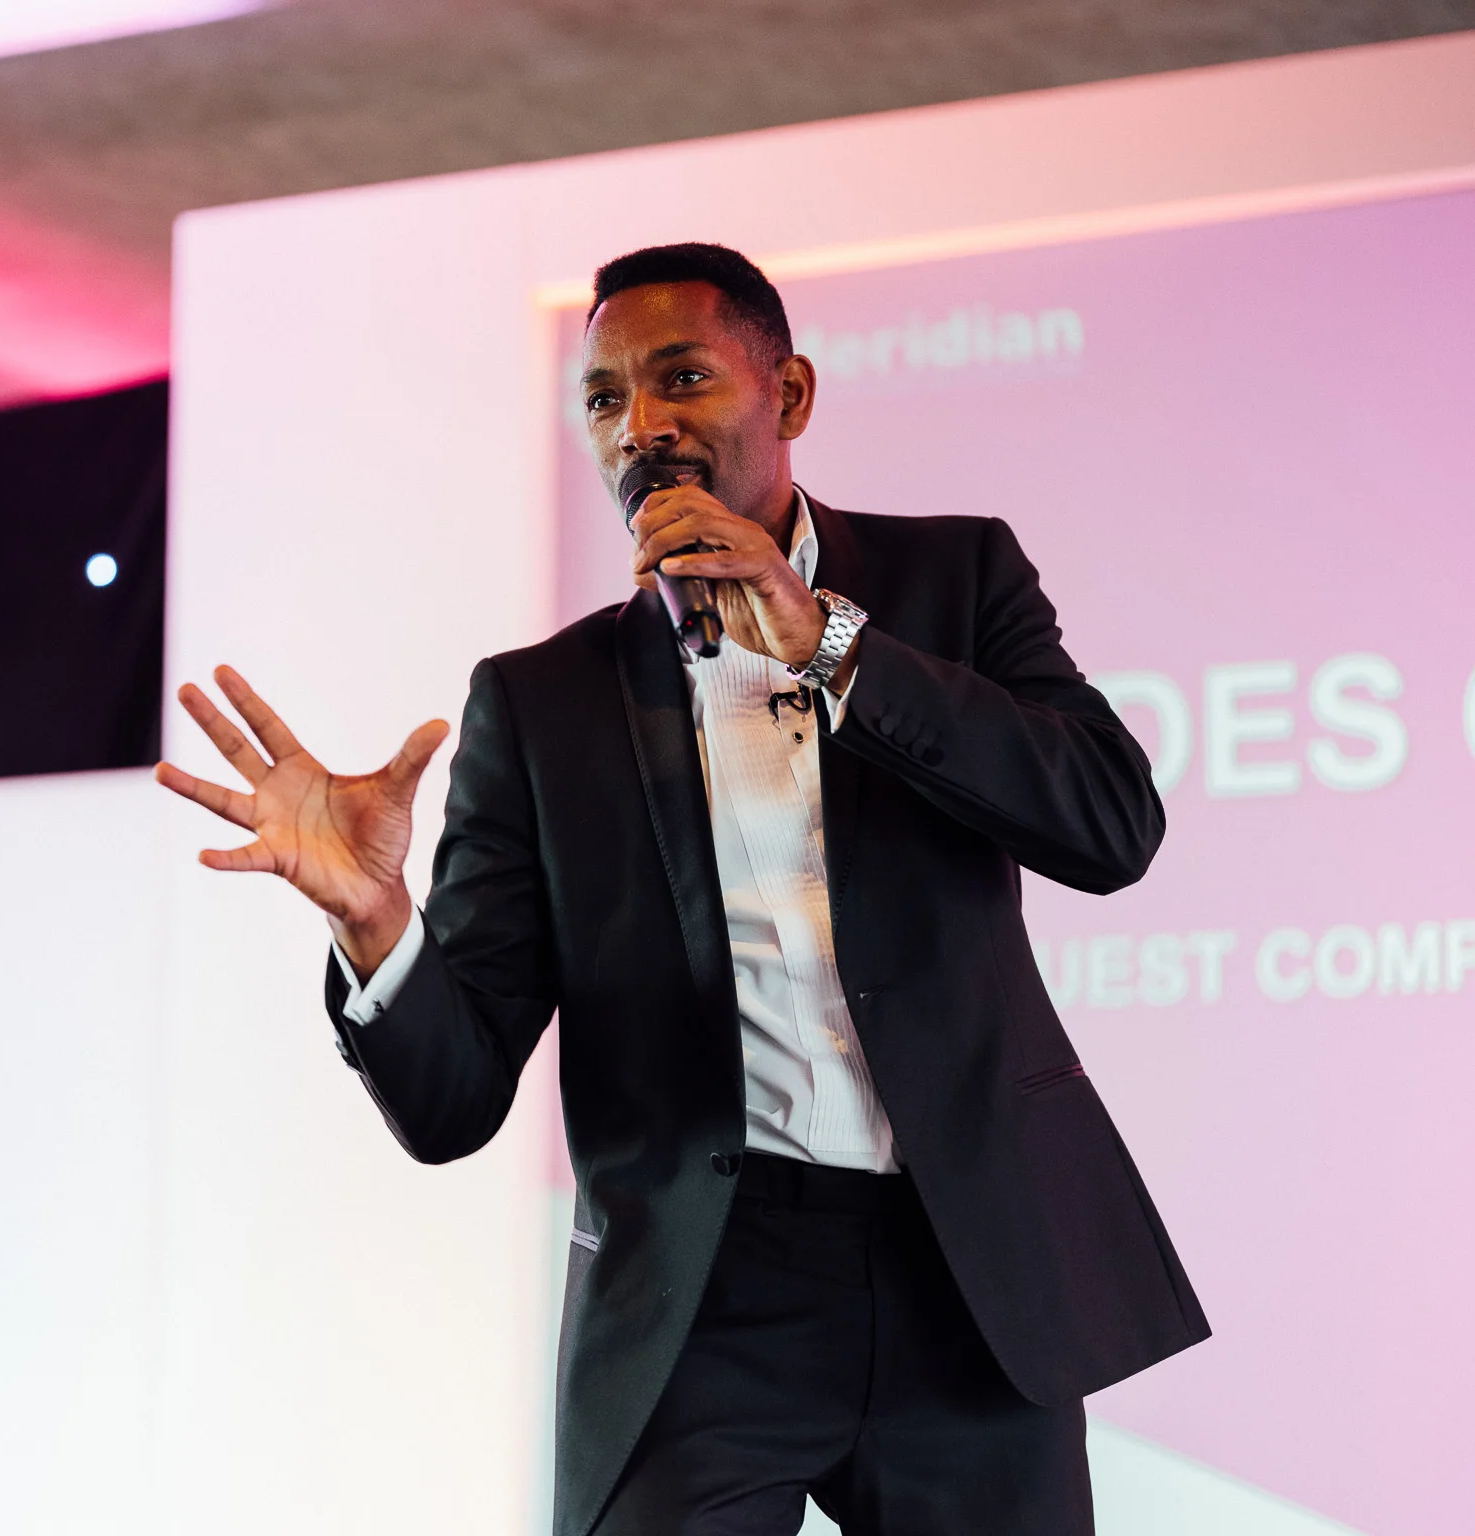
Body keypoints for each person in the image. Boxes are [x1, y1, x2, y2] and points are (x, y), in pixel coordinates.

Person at [155, 242, 1207, 1536]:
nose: (640, 425)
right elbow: (450, 1103)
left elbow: (1110, 825)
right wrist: (375, 922)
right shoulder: (540, 705)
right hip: (704, 1289)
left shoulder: (954, 580)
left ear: (790, 394)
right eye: (604, 399)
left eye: (682, 379)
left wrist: (829, 641)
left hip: (967, 1265)